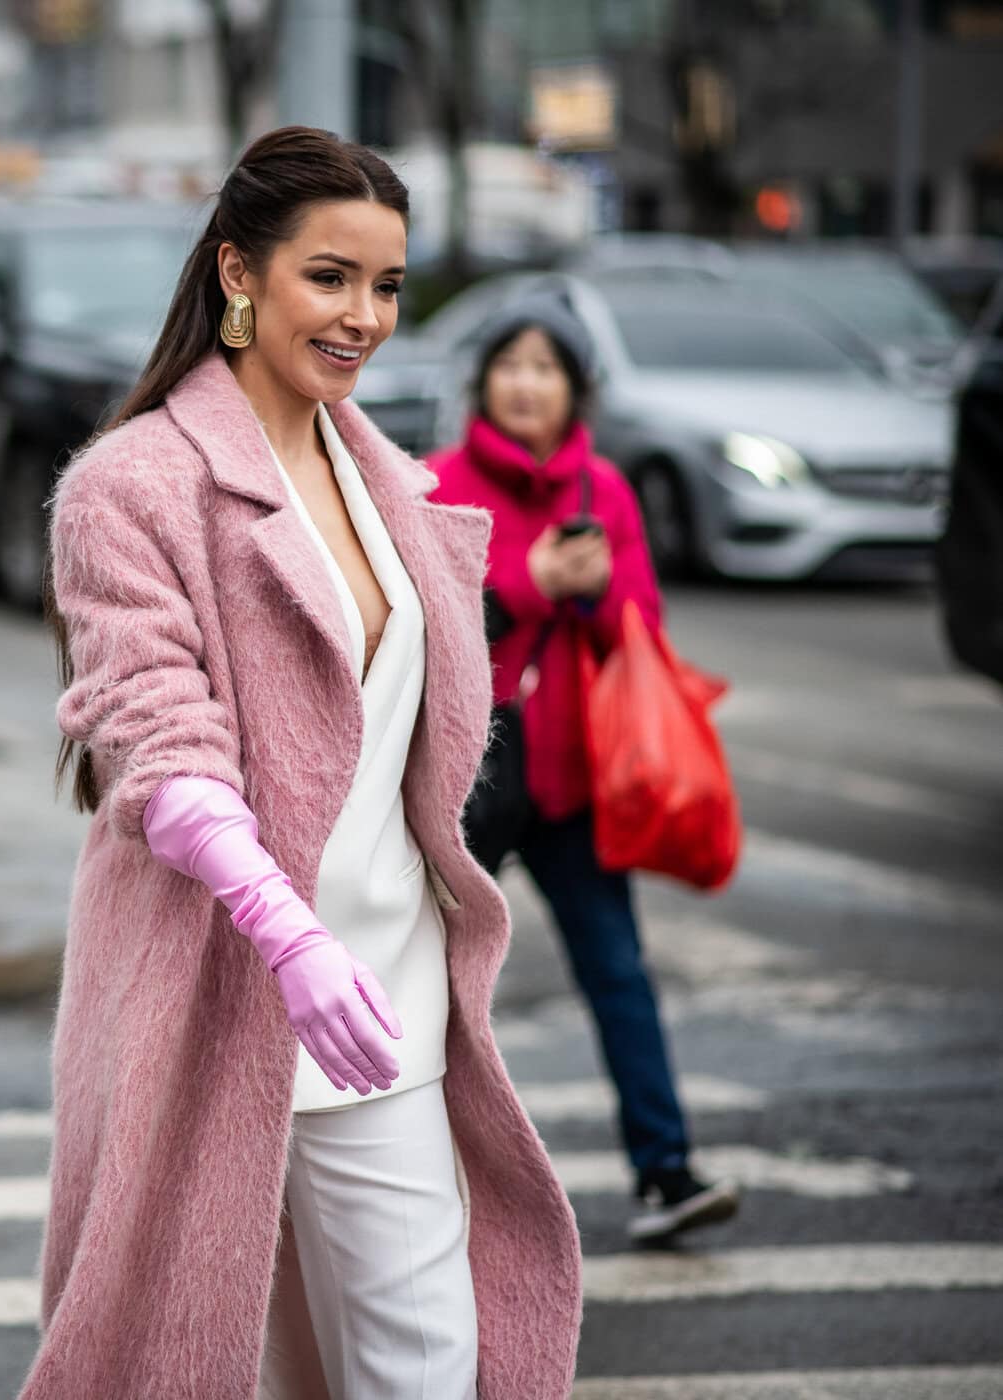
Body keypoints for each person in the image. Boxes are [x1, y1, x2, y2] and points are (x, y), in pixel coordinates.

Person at [25, 127, 580, 1400]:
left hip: (387, 997)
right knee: (177, 1361)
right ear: (240, 272)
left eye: (387, 285)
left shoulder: (386, 478)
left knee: (424, 1365)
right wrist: (290, 938)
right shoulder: (131, 485)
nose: (363, 316)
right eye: (329, 277)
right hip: (219, 990)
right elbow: (161, 746)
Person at [428, 293, 742, 1246]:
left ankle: (666, 1170)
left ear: (575, 391)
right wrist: (531, 585)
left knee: (618, 975)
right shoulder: (437, 482)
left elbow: (640, 631)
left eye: (546, 369)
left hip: (574, 786)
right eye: (510, 366)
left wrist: (598, 591)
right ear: (483, 382)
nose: (526, 386)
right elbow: (425, 629)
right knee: (429, 983)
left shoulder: (602, 491)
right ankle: (417, 1183)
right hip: (469, 781)